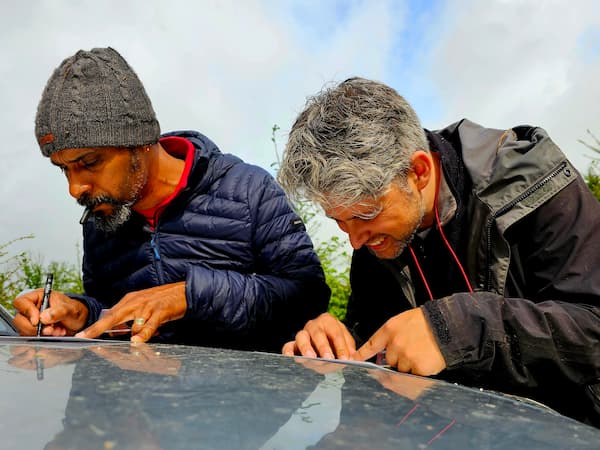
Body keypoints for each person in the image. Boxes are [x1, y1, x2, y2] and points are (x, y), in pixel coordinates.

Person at [277, 77, 600, 425]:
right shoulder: (373, 241)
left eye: (366, 213)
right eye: (339, 220)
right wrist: (338, 342)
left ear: (418, 171)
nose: (355, 240)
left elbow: (592, 326)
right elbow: (375, 345)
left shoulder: (530, 181)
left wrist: (458, 328)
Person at [12, 47, 330, 352]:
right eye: (63, 169)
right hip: (139, 404)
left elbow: (307, 300)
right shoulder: (102, 219)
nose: (75, 188)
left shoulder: (249, 190)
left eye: (90, 162)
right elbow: (114, 316)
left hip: (246, 403)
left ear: (139, 142)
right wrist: (82, 313)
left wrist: (190, 295)